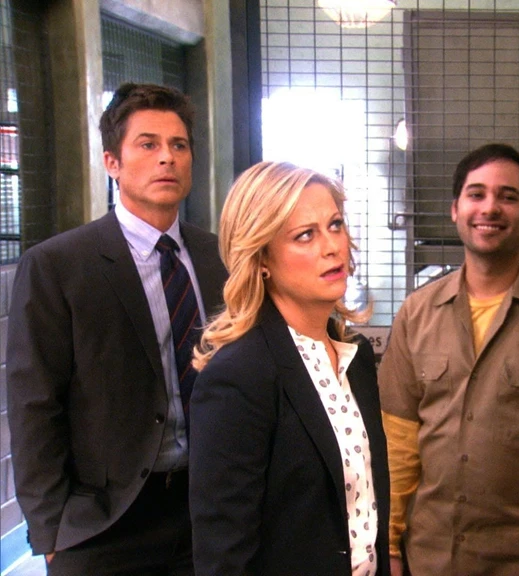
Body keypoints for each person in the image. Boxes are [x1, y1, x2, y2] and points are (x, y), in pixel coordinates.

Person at [5, 83, 228, 575]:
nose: (166, 158)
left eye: (178, 145)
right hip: (103, 522)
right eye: (148, 144)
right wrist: (51, 530)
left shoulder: (218, 257)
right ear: (112, 162)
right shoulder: (58, 265)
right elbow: (33, 404)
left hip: (207, 509)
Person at [379, 143, 519, 575]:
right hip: (430, 561)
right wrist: (390, 546)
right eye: (476, 194)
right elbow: (397, 441)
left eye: (508, 197)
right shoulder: (418, 313)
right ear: (455, 209)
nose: (489, 208)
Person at [187, 161, 390, 576]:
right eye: (305, 235)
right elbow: (224, 556)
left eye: (335, 225)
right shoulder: (239, 376)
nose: (332, 247)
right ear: (261, 257)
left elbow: (365, 512)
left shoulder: (355, 358)